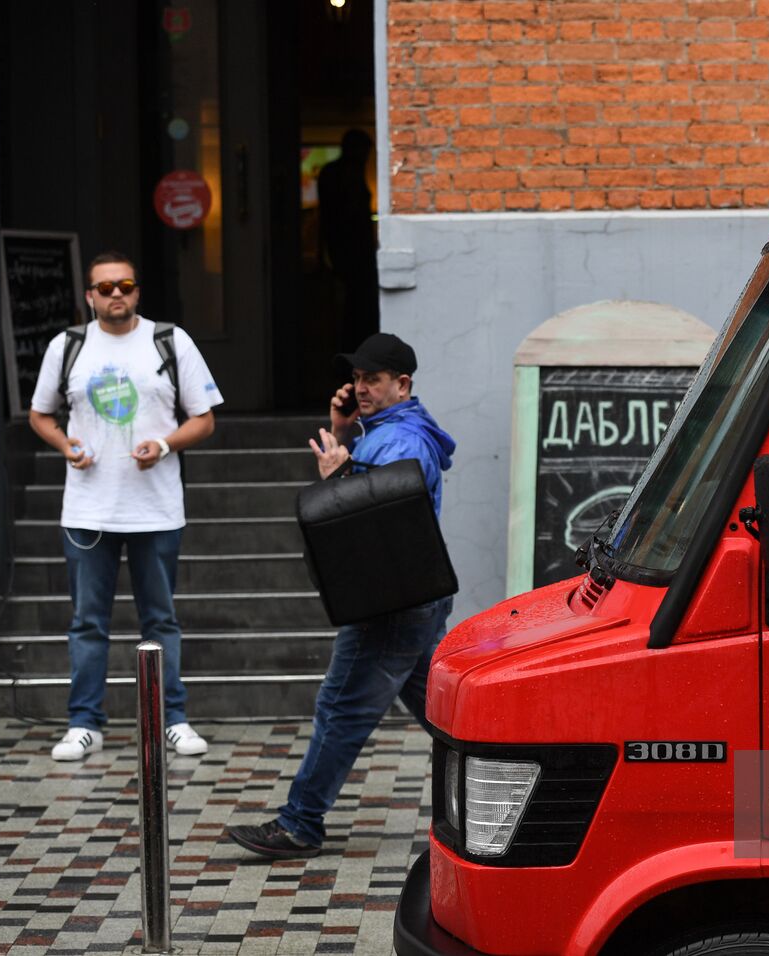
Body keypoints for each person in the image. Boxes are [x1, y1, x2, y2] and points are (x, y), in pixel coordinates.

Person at [226, 332, 456, 860]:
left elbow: (377, 521)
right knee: (441, 710)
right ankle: (523, 771)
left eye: (371, 379)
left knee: (341, 706)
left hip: (390, 603)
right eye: (356, 379)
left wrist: (338, 477)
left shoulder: (401, 441)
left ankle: (300, 823)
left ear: (402, 384)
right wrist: (343, 432)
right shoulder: (390, 431)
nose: (360, 387)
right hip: (405, 596)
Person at [28, 251, 223, 760]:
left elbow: (204, 419)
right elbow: (40, 414)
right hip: (88, 509)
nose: (117, 294)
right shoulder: (67, 346)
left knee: (160, 620)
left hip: (155, 509)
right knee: (87, 621)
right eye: (105, 287)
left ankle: (172, 719)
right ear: (89, 296)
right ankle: (84, 723)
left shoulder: (169, 340)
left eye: (126, 285)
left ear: (137, 291)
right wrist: (66, 446)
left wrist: (163, 445)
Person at [318, 129, 379, 349]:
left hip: (348, 254)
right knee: (352, 313)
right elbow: (343, 217)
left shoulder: (342, 173)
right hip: (350, 256)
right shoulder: (345, 175)